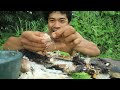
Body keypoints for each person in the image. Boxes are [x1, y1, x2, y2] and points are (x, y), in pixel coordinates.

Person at [3, 11, 100, 57]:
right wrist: (22, 42)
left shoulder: (72, 38)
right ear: (47, 22)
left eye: (62, 21)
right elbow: (6, 46)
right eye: (52, 20)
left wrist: (75, 44)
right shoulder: (41, 37)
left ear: (68, 23)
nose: (56, 25)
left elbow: (95, 50)